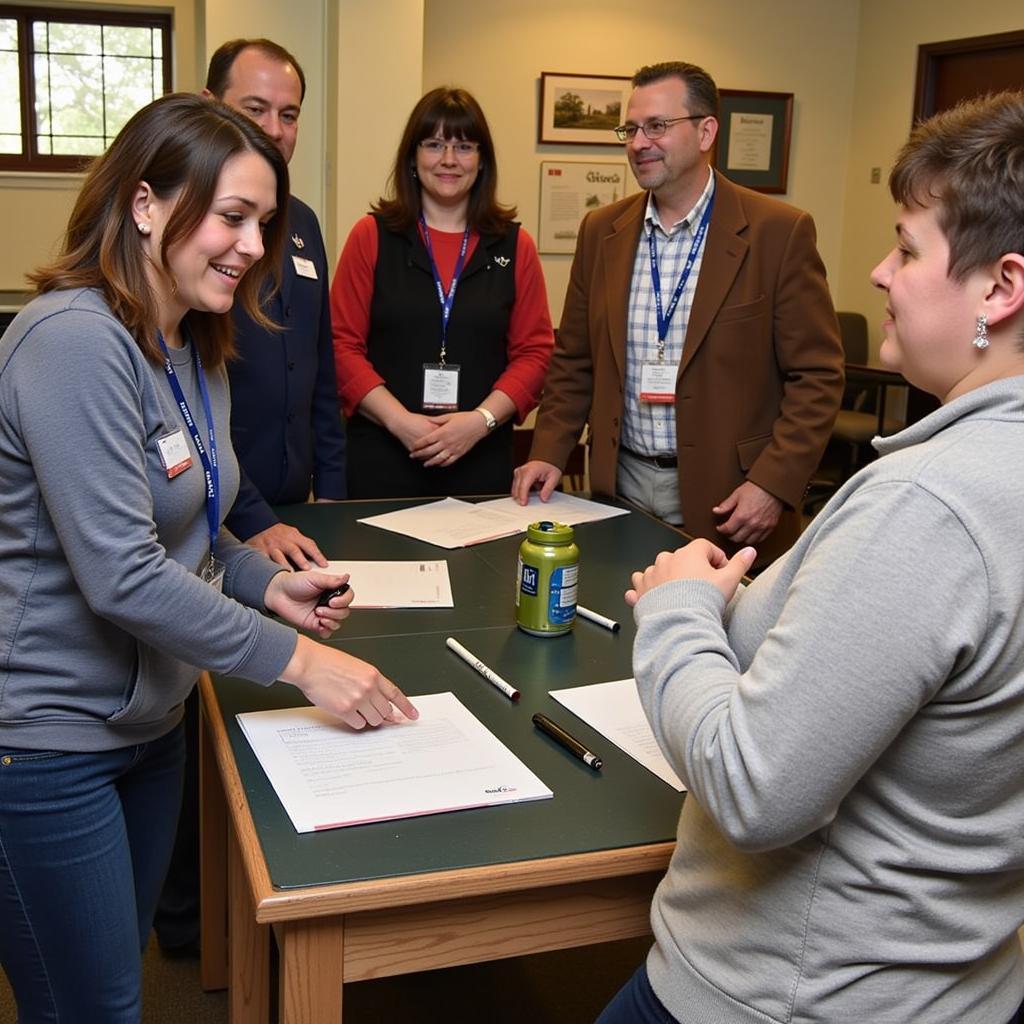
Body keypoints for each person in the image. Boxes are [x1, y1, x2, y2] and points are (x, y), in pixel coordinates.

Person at [598, 91, 1024, 1024]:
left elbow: (758, 786)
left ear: (1001, 288)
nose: (880, 271)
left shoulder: (930, 506)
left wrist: (679, 610)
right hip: (960, 978)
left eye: (908, 248)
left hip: (796, 991)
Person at [0, 94, 416, 1023]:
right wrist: (307, 664)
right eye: (231, 217)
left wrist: (271, 584)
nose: (251, 246)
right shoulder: (73, 341)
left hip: (150, 727)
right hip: (42, 745)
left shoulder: (194, 345)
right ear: (146, 204)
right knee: (93, 1008)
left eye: (263, 223)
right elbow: (124, 573)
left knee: (107, 987)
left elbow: (193, 529)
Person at [512, 61, 844, 565]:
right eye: (631, 129)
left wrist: (773, 484)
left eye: (658, 126)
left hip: (729, 500)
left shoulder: (778, 231)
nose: (639, 142)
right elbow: (574, 358)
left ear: (707, 130)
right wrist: (548, 450)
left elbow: (817, 376)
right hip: (616, 488)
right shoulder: (602, 231)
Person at [331, 86, 554, 498]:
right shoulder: (372, 236)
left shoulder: (514, 246)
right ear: (413, 158)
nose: (449, 160)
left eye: (464, 146)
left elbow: (535, 353)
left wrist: (481, 421)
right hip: (382, 458)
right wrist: (401, 422)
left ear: (482, 160)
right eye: (434, 144)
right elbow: (341, 345)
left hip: (480, 460)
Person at [205, 39, 346, 570]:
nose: (274, 130)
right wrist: (251, 517)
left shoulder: (304, 222)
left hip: (296, 505)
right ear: (209, 105)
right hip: (220, 511)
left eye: (289, 115)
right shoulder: (196, 230)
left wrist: (333, 489)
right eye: (255, 109)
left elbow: (320, 363)